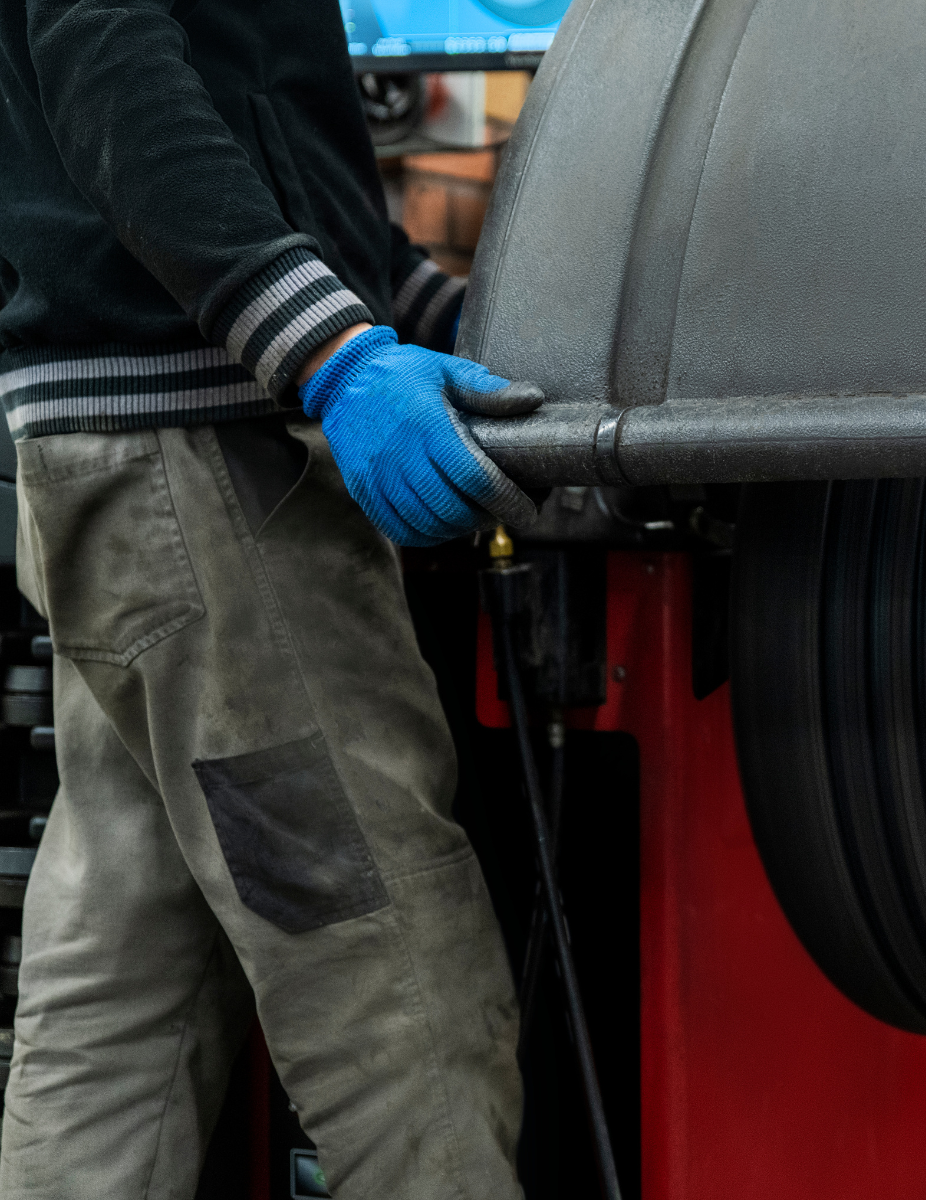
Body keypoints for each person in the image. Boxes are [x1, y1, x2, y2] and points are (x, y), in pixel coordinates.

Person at [0, 0, 541, 1195]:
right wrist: (333, 354)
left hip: (120, 470)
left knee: (123, 983)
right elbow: (112, 74)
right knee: (391, 972)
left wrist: (427, 316)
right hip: (215, 471)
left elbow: (257, 136)